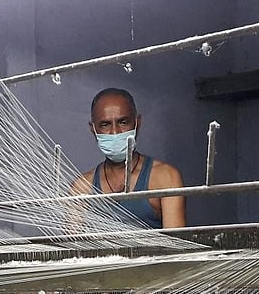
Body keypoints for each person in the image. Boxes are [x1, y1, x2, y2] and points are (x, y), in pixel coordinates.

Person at [71, 88, 186, 228]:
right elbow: (73, 239)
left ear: (137, 123)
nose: (115, 132)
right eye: (105, 124)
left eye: (123, 122)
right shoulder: (83, 187)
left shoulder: (165, 177)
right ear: (93, 128)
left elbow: (176, 240)